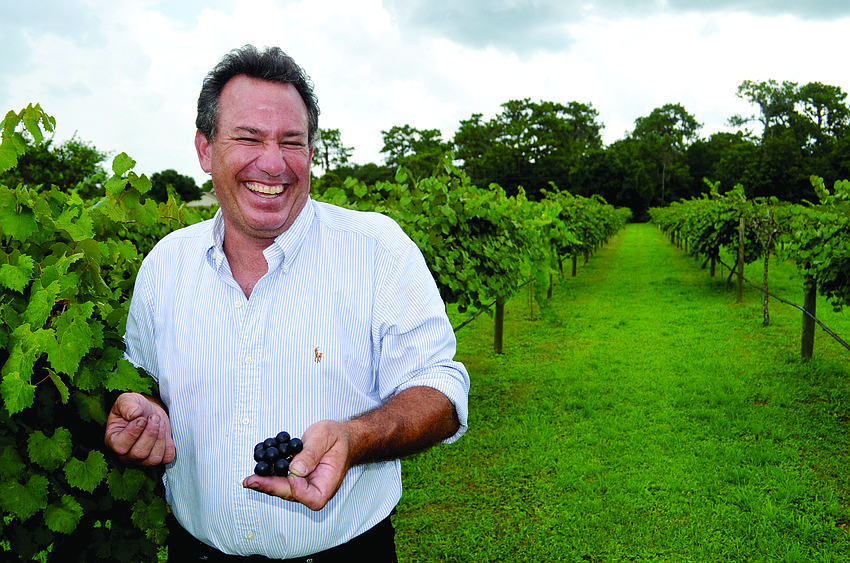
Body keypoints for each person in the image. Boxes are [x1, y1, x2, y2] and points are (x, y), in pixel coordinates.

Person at [103, 45, 470, 562]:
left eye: (292, 142)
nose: (272, 163)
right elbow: (138, 379)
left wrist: (355, 437)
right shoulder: (165, 266)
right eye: (248, 138)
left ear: (312, 154)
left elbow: (442, 389)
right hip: (195, 551)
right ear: (205, 149)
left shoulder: (377, 250)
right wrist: (144, 414)